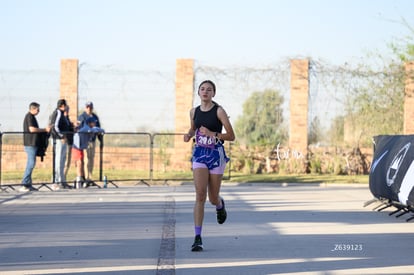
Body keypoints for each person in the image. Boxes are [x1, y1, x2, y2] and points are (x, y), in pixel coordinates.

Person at [183, 80, 235, 252]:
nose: (205, 92)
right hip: (199, 154)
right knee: (199, 195)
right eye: (202, 89)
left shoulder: (219, 111)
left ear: (213, 93)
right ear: (198, 92)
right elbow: (193, 129)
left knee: (212, 198)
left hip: (216, 155)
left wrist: (213, 134)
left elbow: (231, 136)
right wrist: (189, 134)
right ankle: (197, 238)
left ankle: (220, 205)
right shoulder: (193, 111)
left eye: (209, 90)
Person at [20, 102, 51, 192]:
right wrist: (44, 129)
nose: (39, 111)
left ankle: (28, 184)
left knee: (31, 163)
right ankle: (24, 183)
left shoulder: (32, 117)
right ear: (32, 109)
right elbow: (32, 129)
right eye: (37, 109)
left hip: (33, 144)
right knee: (31, 163)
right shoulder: (29, 116)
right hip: (30, 144)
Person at [72, 117, 104, 188]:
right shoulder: (86, 127)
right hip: (77, 147)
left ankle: (81, 178)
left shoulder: (91, 127)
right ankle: (79, 180)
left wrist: (100, 130)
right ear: (89, 123)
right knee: (79, 162)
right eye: (93, 122)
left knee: (81, 162)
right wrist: (95, 130)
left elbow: (97, 129)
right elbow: (89, 130)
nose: (94, 123)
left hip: (81, 147)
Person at [50, 99, 72, 190]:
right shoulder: (58, 112)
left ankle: (62, 181)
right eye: (65, 105)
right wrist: (61, 136)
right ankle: (56, 181)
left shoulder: (62, 114)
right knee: (58, 161)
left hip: (62, 140)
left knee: (62, 160)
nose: (66, 107)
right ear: (62, 105)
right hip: (58, 140)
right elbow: (55, 126)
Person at [77, 101, 101, 182]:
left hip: (93, 140)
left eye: (90, 107)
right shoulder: (82, 117)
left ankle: (90, 177)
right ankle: (86, 177)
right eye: (87, 107)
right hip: (85, 140)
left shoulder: (95, 117)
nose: (89, 109)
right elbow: (79, 128)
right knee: (86, 159)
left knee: (91, 159)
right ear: (85, 107)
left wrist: (99, 136)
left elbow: (98, 128)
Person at [63, 105, 75, 181]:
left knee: (68, 162)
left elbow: (69, 127)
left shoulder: (67, 119)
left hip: (70, 142)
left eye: (68, 110)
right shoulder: (62, 119)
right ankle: (61, 179)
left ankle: (64, 178)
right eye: (66, 110)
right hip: (65, 142)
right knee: (65, 161)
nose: (67, 111)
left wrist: (73, 126)